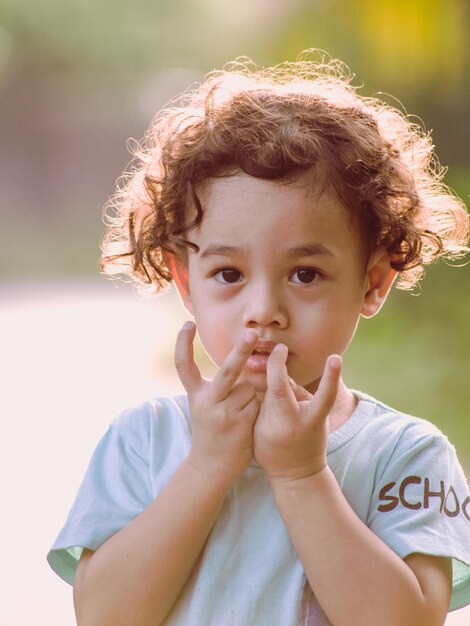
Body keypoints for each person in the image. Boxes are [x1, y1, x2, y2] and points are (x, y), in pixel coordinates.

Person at [48, 52, 470, 626]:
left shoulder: (405, 453)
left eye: (305, 274)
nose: (264, 312)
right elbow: (103, 615)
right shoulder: (144, 440)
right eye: (229, 274)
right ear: (186, 282)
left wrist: (302, 474)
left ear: (372, 283)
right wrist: (206, 463)